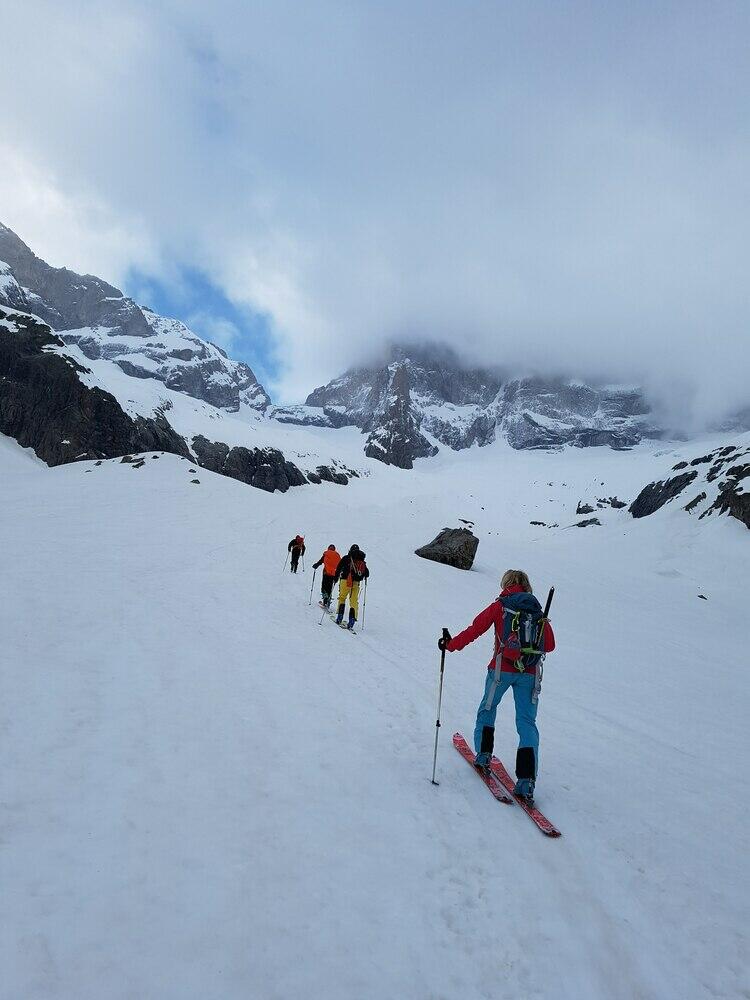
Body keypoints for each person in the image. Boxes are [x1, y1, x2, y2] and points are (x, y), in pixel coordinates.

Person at [439, 569, 555, 803]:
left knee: (488, 708)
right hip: (529, 674)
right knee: (526, 723)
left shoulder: (500, 607)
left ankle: (483, 755)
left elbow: (475, 630)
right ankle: (526, 781)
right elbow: (550, 645)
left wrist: (450, 645)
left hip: (501, 670)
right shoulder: (536, 612)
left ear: (506, 584)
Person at [333, 544, 369, 629]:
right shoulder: (361, 560)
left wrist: (335, 579)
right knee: (354, 601)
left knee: (342, 598)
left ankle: (340, 617)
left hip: (345, 581)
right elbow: (367, 573)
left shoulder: (346, 558)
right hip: (356, 583)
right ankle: (352, 620)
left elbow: (338, 568)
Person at [312, 544, 341, 608]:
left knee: (324, 587)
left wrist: (316, 565)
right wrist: (338, 576)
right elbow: (340, 566)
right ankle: (328, 601)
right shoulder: (337, 555)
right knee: (329, 587)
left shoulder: (326, 554)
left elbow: (321, 561)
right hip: (333, 574)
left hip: (326, 573)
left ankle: (325, 600)